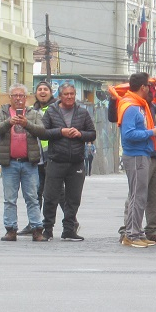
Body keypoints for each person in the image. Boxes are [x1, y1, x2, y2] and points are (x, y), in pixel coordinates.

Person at [40, 83, 95, 241]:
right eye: (66, 94)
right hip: (56, 160)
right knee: (50, 197)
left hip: (76, 162)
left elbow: (92, 134)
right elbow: (43, 133)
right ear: (60, 96)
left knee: (73, 198)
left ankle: (69, 230)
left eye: (72, 94)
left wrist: (80, 134)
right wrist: (61, 132)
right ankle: (47, 230)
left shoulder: (82, 112)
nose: (69, 97)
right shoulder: (51, 112)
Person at [0, 84, 46, 242]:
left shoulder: (33, 114)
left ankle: (37, 229)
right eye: (15, 95)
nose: (18, 98)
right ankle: (10, 229)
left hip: (30, 163)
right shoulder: (2, 112)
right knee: (9, 199)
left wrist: (27, 124)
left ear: (26, 98)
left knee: (32, 198)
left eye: (21, 95)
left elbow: (42, 131)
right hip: (10, 163)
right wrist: (9, 122)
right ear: (10, 98)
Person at [118, 72, 156, 248]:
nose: (151, 90)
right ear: (143, 87)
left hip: (142, 153)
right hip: (136, 155)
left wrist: (152, 131)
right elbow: (128, 134)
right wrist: (152, 132)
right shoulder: (131, 107)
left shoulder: (139, 105)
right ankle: (131, 234)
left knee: (140, 196)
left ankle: (136, 232)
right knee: (137, 196)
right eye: (149, 86)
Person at [31, 81, 57, 219]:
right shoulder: (31, 111)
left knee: (57, 193)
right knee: (36, 192)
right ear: (35, 93)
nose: (42, 92)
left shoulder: (56, 109)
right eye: (39, 89)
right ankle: (35, 222)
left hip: (52, 157)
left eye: (45, 89)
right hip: (36, 158)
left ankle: (71, 222)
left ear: (51, 93)